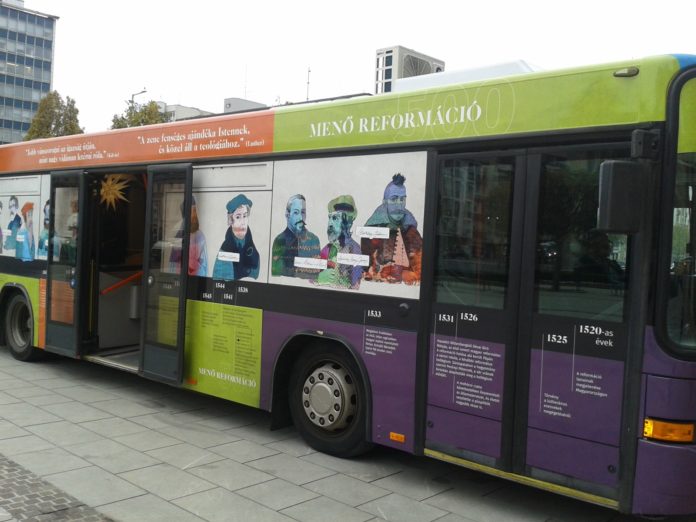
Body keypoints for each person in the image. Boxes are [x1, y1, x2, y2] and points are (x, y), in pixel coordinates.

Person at [362, 173, 422, 284]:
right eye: (394, 199)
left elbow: (420, 269)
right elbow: (366, 270)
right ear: (385, 202)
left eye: (402, 199)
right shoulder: (371, 231)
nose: (399, 205)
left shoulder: (411, 231)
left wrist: (407, 274)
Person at [317, 195, 363, 289]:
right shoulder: (327, 249)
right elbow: (312, 276)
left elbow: (356, 287)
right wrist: (319, 278)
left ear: (348, 223)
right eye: (330, 218)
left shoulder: (356, 251)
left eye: (335, 218)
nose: (330, 224)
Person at [271, 194, 320, 278]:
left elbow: (315, 276)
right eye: (296, 212)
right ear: (287, 215)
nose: (300, 218)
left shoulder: (313, 240)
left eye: (303, 212)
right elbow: (276, 276)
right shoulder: (279, 241)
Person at [213, 194, 260, 280]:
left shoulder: (252, 247)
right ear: (231, 220)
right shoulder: (225, 250)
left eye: (245, 216)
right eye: (238, 217)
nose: (243, 222)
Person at [169, 198, 208, 277]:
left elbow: (204, 265)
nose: (193, 215)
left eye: (194, 211)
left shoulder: (200, 236)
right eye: (191, 212)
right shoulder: (179, 235)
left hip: (195, 279)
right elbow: (173, 264)